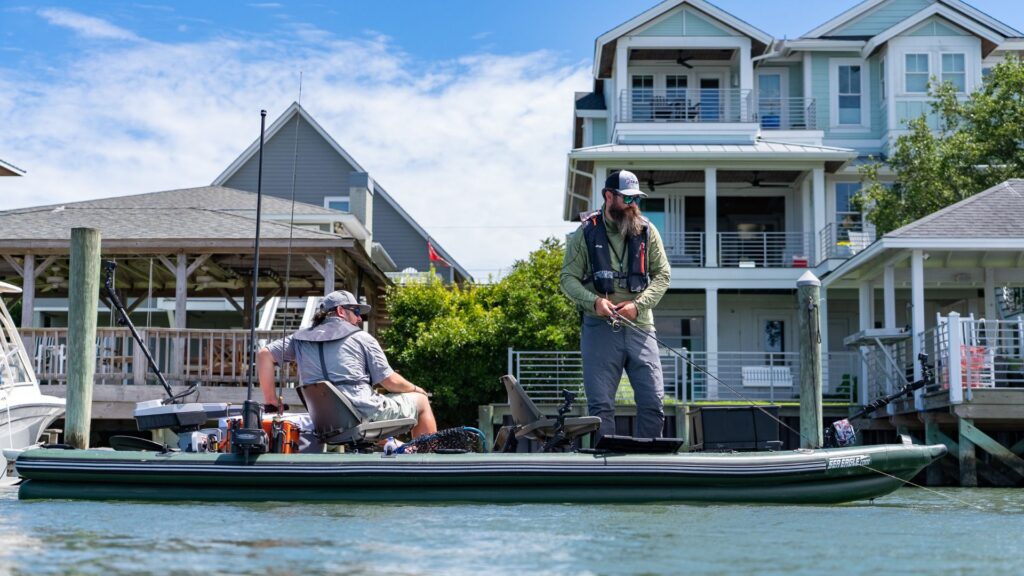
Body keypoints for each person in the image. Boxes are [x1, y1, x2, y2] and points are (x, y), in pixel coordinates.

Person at [560, 170, 671, 442]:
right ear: (608, 196)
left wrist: (638, 305)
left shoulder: (647, 230)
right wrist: (594, 302)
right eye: (627, 198)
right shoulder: (585, 232)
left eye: (636, 199)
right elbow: (567, 278)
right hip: (599, 327)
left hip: (641, 326)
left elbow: (663, 274)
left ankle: (650, 461)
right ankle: (605, 463)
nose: (634, 204)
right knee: (601, 408)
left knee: (654, 402)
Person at [257, 290, 437, 438]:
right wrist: (416, 389)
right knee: (421, 401)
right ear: (341, 311)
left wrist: (271, 400)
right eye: (356, 312)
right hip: (362, 415)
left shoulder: (298, 339)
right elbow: (390, 382)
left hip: (324, 421)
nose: (359, 319)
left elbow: (264, 355)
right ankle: (426, 461)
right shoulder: (362, 337)